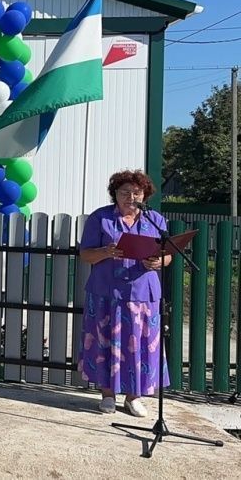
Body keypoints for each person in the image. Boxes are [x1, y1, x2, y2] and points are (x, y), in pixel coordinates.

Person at [78, 170, 170, 418]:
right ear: (115, 194)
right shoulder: (101, 218)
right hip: (106, 292)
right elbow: (85, 254)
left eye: (136, 193)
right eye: (125, 192)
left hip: (143, 294)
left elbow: (167, 255)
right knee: (105, 342)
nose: (131, 197)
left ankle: (134, 397)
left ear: (145, 195)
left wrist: (159, 262)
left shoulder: (155, 220)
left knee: (140, 344)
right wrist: (106, 252)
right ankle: (107, 395)